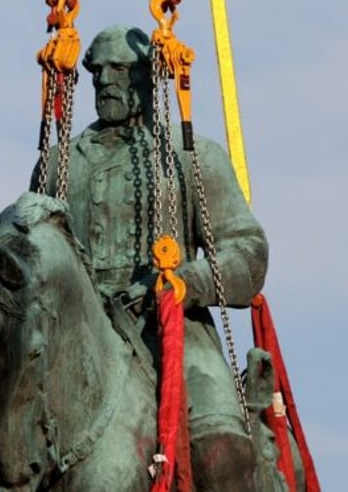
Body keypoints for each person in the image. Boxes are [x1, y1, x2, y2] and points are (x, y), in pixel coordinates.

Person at [29, 25, 268, 490]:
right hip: (78, 339)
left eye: (120, 69)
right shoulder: (58, 163)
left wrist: (187, 282)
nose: (104, 81)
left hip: (173, 328)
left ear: (148, 76)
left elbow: (248, 252)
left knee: (221, 448)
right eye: (96, 70)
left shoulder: (191, 155)